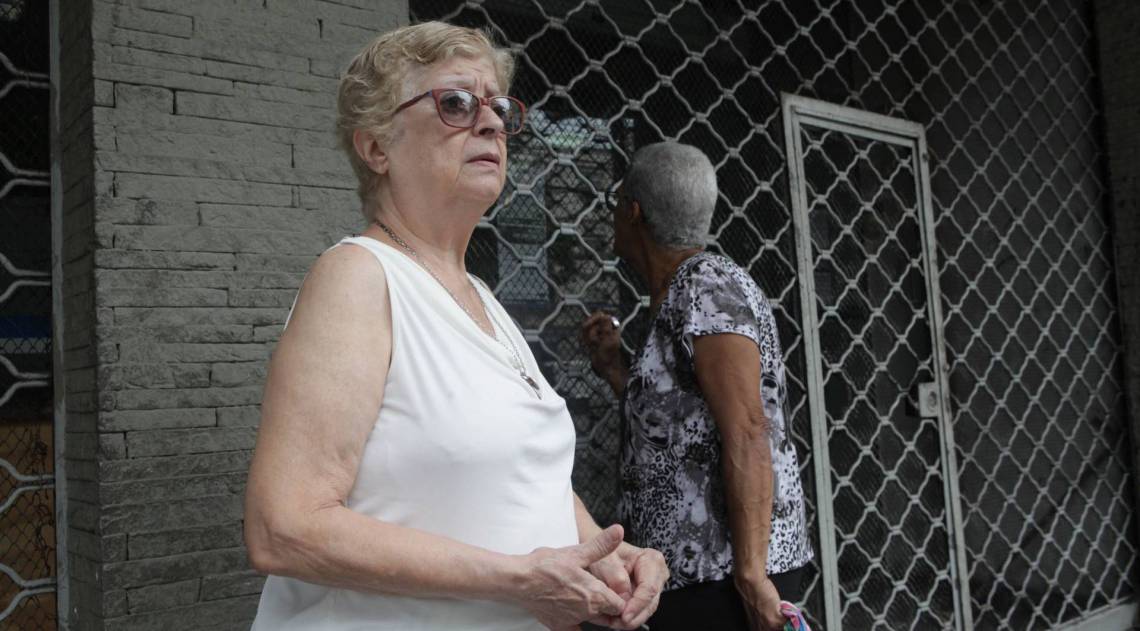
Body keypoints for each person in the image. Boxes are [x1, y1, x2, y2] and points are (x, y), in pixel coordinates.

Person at [243, 22, 668, 630]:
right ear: (377, 147)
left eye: (498, 107)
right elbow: (283, 527)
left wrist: (603, 553)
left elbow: (517, 472)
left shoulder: (483, 299)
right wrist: (518, 580)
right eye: (457, 103)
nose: (491, 122)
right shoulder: (360, 278)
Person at [580, 142, 814, 631]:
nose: (613, 214)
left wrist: (751, 577)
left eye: (616, 202)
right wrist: (615, 369)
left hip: (722, 576)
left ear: (634, 212)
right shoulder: (682, 293)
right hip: (692, 573)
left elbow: (748, 429)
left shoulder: (707, 286)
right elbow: (682, 427)